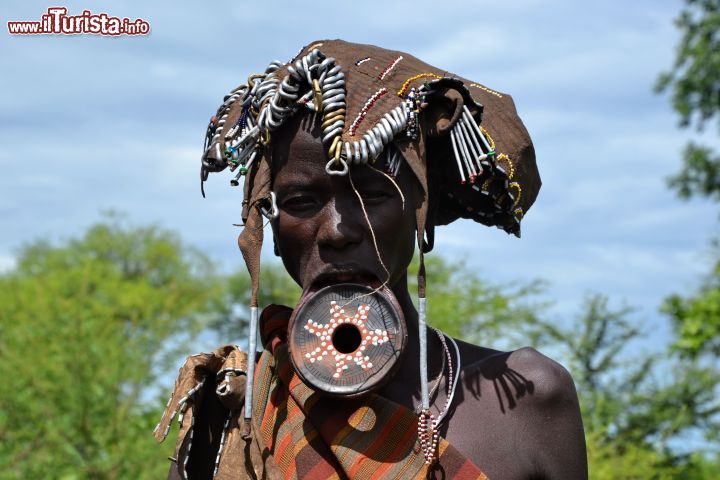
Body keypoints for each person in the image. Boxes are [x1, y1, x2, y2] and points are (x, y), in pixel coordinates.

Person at [155, 40, 588, 480]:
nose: (339, 230)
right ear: (273, 227)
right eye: (302, 201)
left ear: (420, 213)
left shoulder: (528, 398)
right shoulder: (231, 407)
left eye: (374, 195)